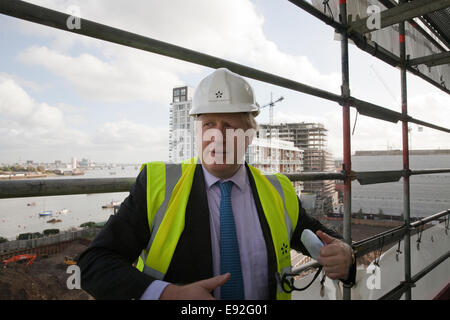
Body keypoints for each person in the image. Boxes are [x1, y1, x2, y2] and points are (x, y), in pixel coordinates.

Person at [77, 68, 355, 300]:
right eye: (209, 124)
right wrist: (169, 294)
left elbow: (327, 242)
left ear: (249, 135)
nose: (218, 137)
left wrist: (345, 255)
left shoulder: (279, 191)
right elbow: (93, 264)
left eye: (231, 127)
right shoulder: (156, 185)